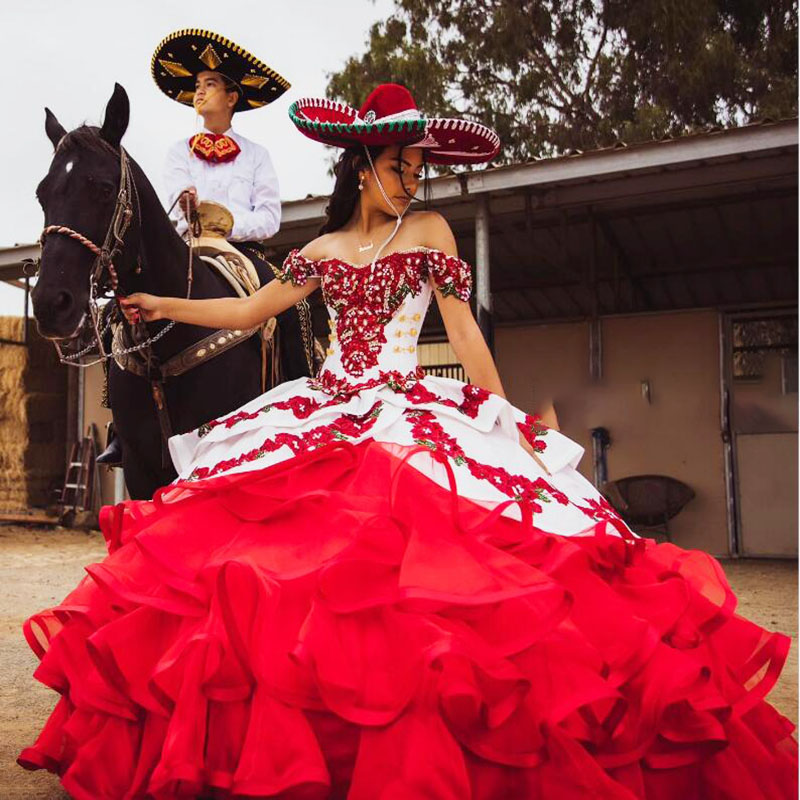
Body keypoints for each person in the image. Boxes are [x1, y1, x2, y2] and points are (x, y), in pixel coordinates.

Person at [20, 84, 796, 799]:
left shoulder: (431, 231)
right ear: (364, 168)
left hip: (406, 406)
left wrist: (509, 418)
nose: (416, 178)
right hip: (326, 408)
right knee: (269, 565)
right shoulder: (320, 252)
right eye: (403, 165)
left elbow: (465, 336)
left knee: (430, 573)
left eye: (420, 165)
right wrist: (163, 303)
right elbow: (250, 312)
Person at [98, 29, 316, 465]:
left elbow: (270, 219)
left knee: (296, 305)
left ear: (232, 97)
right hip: (187, 247)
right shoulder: (178, 151)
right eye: (196, 86)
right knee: (113, 313)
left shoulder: (257, 155)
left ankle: (305, 393)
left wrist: (231, 222)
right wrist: (187, 205)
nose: (199, 92)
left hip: (239, 250)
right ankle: (120, 425)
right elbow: (172, 210)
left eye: (209, 84)